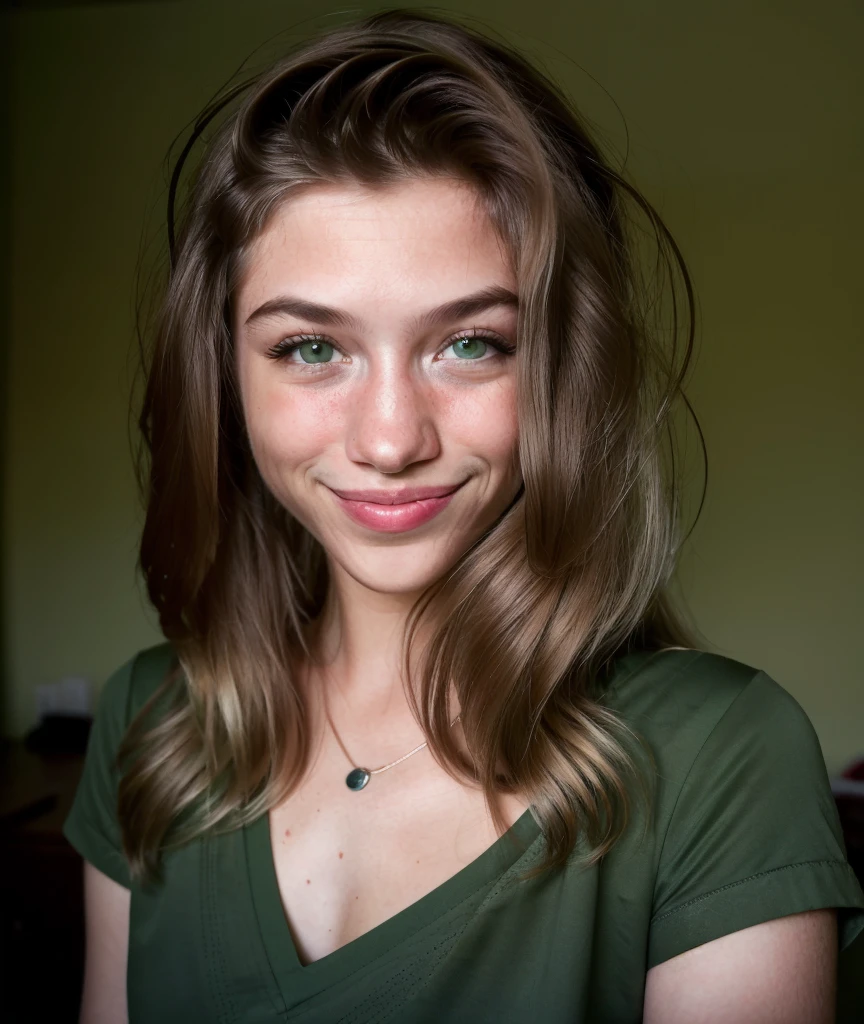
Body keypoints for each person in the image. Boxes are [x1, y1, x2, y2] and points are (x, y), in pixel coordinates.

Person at [63, 9, 864, 1023]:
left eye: (470, 343)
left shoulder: (720, 760)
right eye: (313, 348)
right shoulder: (151, 727)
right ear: (225, 374)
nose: (391, 437)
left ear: (559, 369)